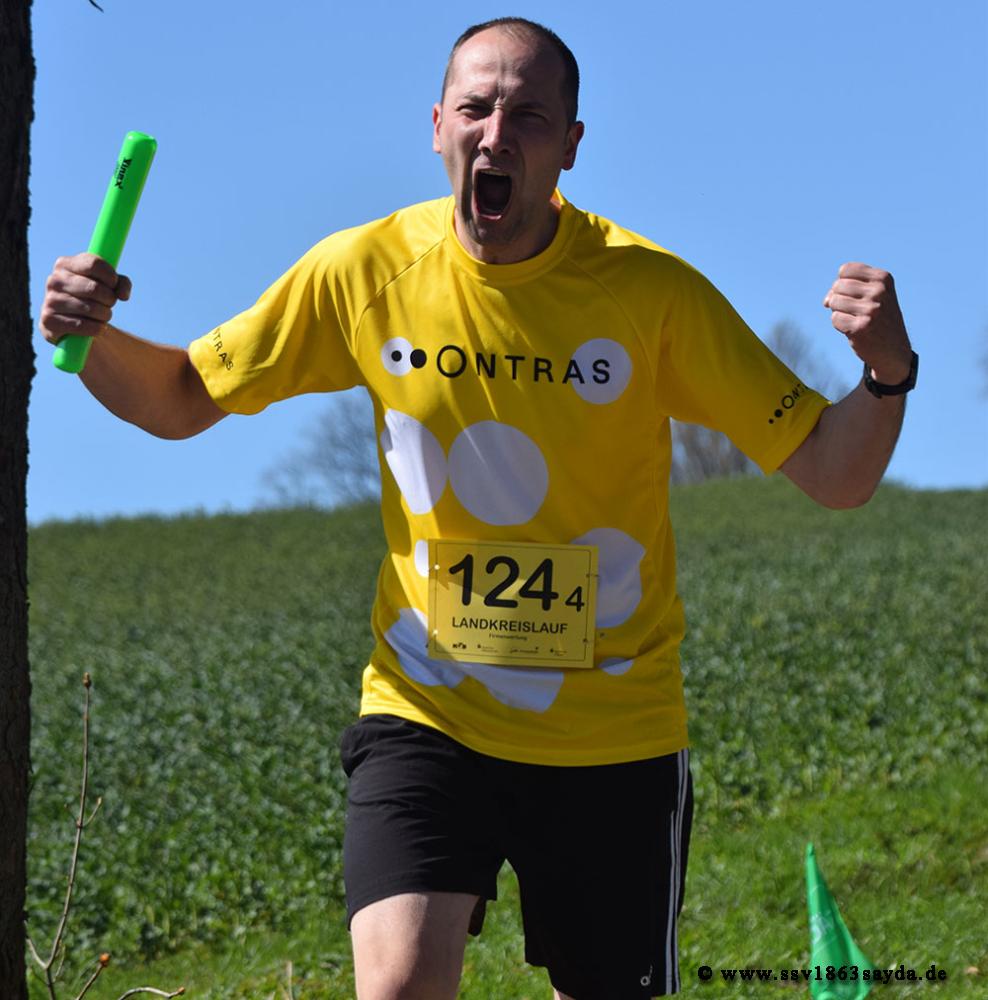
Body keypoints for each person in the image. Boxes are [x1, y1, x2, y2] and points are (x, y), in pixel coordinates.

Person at [39, 17, 916, 1000]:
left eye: (529, 116)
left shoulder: (649, 294)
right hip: (426, 710)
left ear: (570, 146)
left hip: (611, 734)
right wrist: (93, 336)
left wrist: (886, 373)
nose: (497, 133)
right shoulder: (364, 271)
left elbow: (834, 473)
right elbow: (179, 398)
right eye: (476, 108)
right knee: (399, 986)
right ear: (436, 127)